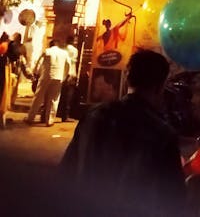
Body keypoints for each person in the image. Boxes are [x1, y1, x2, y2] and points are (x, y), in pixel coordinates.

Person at [60, 49, 186, 216]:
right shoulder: (162, 134)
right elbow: (173, 198)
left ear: (127, 79)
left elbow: (66, 171)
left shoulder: (94, 116)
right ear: (160, 86)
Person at [26, 39, 70, 126]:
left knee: (38, 97)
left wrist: (35, 73)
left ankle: (30, 117)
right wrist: (64, 76)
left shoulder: (47, 51)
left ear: (50, 45)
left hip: (46, 76)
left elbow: (39, 63)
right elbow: (68, 65)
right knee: (54, 99)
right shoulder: (64, 53)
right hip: (58, 77)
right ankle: (49, 120)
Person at [58, 35, 78, 121]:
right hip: (71, 73)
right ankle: (65, 116)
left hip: (62, 73)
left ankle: (59, 113)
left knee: (61, 95)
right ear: (73, 41)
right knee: (68, 96)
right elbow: (72, 62)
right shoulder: (74, 50)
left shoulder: (63, 49)